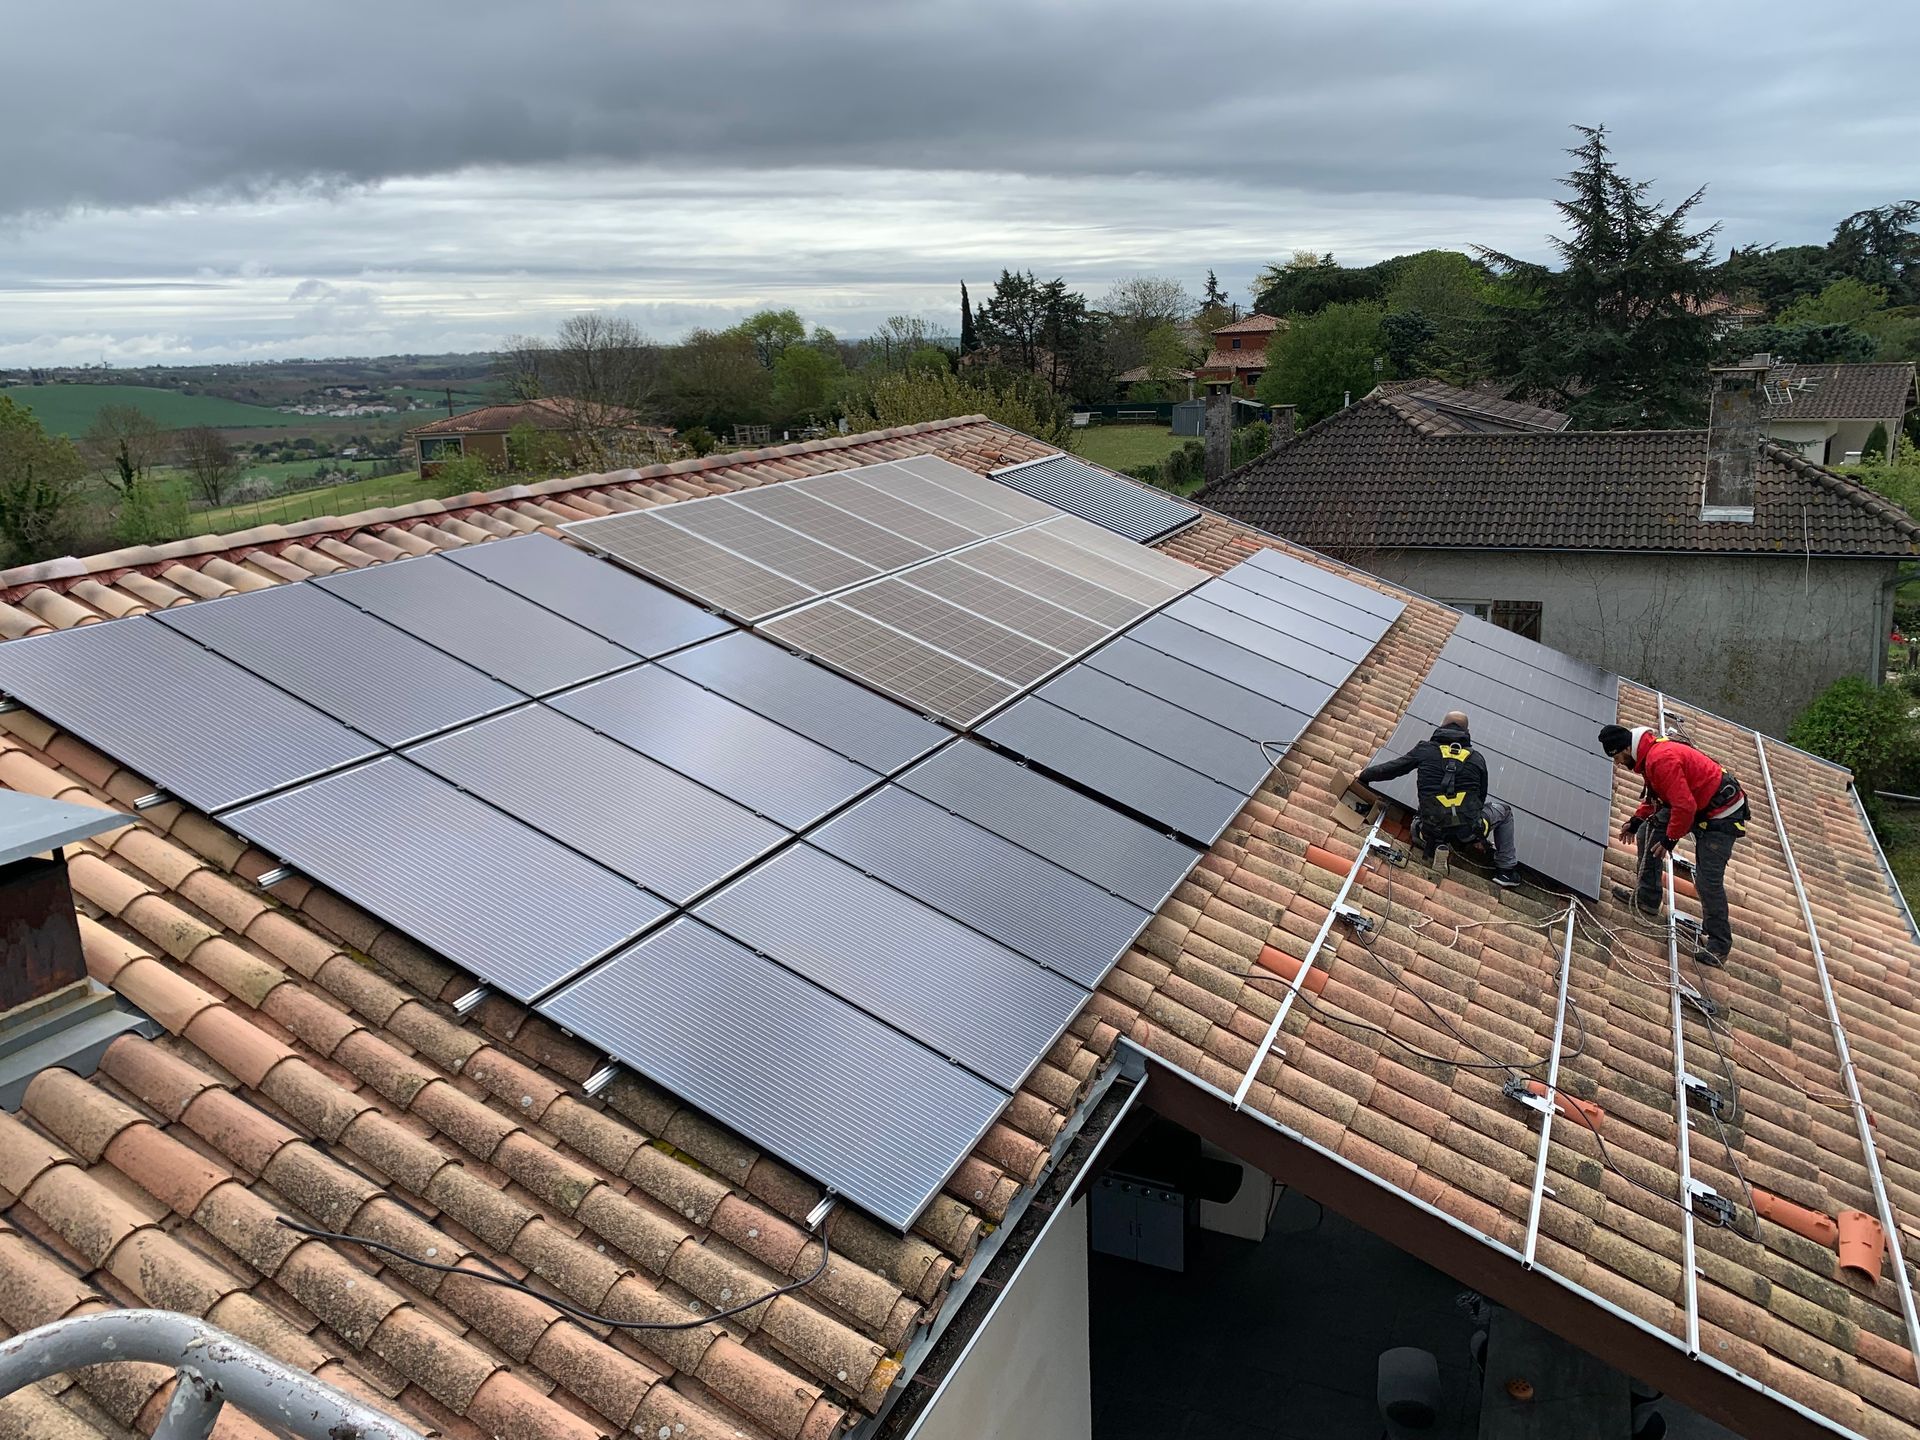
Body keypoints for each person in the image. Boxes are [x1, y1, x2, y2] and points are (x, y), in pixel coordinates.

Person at [1597, 723, 1748, 965]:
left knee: (1707, 880)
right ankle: (1647, 898)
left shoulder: (1660, 759)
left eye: (1617, 756)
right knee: (1647, 832)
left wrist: (1669, 840)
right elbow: (1659, 797)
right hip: (1698, 804)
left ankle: (1719, 945)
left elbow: (1684, 806)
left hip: (1721, 813)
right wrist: (1636, 820)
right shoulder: (1647, 755)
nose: (1617, 763)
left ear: (1626, 747)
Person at [1356, 711, 1521, 888]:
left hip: (1427, 831)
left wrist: (1364, 775)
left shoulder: (1425, 750)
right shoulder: (1476, 759)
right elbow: (1481, 798)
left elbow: (1392, 769)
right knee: (1504, 811)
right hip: (1468, 833)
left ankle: (1438, 845)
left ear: (1441, 726)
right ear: (1467, 731)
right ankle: (1506, 871)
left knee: (1421, 820)